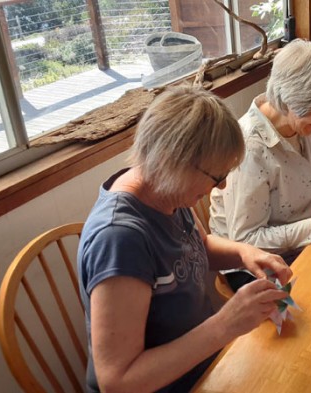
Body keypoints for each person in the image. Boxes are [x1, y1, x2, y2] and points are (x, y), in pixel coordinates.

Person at [77, 85, 292, 393]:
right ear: (172, 160)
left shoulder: (165, 192)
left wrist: (244, 253)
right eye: (217, 177)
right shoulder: (119, 239)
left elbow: (197, 247)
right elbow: (118, 381)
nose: (221, 187)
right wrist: (225, 325)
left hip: (202, 365)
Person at [209, 39, 311, 262]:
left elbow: (306, 174)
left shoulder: (306, 121)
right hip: (265, 263)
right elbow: (245, 240)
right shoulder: (248, 149)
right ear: (291, 102)